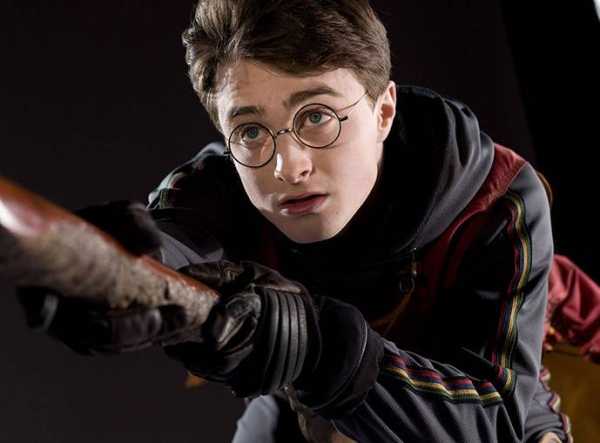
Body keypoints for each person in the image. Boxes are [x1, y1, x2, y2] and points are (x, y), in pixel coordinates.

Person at [16, 0, 576, 441]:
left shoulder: (496, 199)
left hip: (467, 398)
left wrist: (320, 349)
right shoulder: (218, 186)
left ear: (383, 111)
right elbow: (177, 242)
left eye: (317, 116)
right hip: (303, 397)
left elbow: (495, 418)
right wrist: (114, 267)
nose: (288, 166)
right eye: (250, 130)